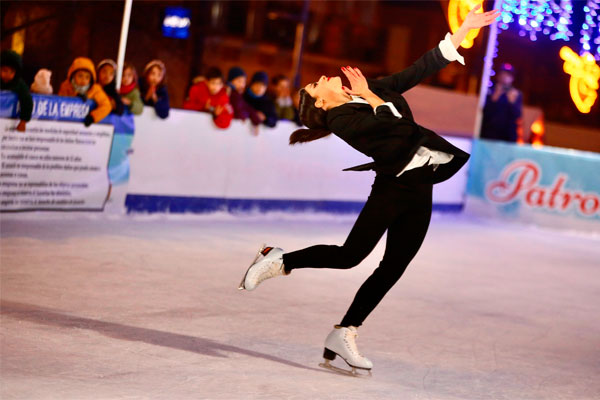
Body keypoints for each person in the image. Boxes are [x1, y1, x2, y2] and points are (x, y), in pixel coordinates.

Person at [239, 5, 500, 374]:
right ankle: (280, 259)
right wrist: (370, 96)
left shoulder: (370, 87)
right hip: (393, 187)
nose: (322, 79)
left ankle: (345, 331)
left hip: (420, 183)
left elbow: (421, 67)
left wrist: (463, 31)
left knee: (395, 265)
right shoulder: (340, 118)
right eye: (316, 86)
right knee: (350, 255)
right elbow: (396, 132)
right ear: (321, 101)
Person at [58, 57, 112, 127]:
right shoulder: (66, 86)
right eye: (80, 76)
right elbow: (59, 103)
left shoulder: (95, 89)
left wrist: (93, 117)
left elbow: (106, 106)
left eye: (87, 77)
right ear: (73, 76)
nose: (83, 80)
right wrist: (75, 97)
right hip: (67, 124)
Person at [480, 63, 522, 142]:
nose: (505, 77)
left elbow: (517, 116)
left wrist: (512, 102)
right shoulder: (490, 90)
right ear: (498, 75)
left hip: (507, 136)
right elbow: (484, 112)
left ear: (512, 78)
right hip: (489, 134)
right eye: (503, 74)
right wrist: (495, 97)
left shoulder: (516, 93)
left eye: (508, 75)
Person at [0, 50, 33, 132]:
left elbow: (27, 100)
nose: (8, 75)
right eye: (5, 70)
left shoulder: (19, 83)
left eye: (12, 72)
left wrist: (23, 121)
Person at [226, 66, 262, 131]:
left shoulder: (239, 95)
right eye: (239, 81)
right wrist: (245, 115)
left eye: (244, 82)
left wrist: (256, 120)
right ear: (231, 81)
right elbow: (238, 112)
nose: (242, 84)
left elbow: (247, 107)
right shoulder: (230, 94)